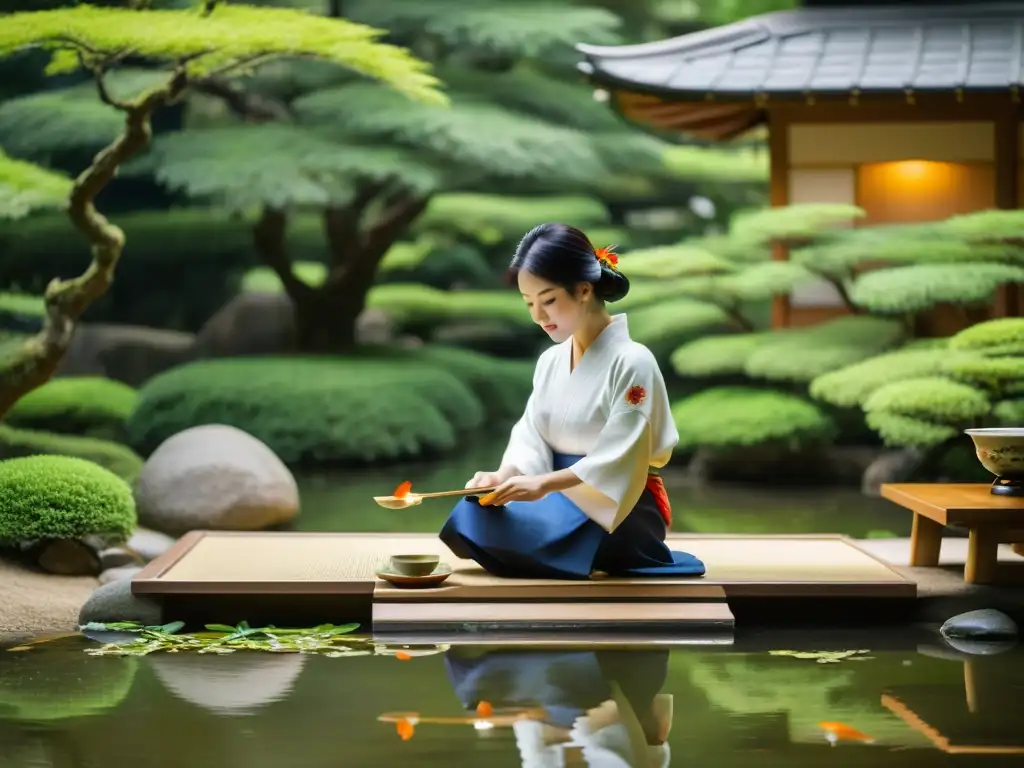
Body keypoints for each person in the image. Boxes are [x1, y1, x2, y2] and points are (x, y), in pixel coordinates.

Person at [438, 222, 706, 580]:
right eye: (529, 303)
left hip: (612, 503)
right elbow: (531, 431)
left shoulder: (633, 360)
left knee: (515, 536)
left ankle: (577, 548)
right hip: (556, 494)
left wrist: (545, 484)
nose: (538, 315)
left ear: (583, 290)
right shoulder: (551, 360)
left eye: (548, 300)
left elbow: (622, 453)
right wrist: (504, 476)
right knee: (472, 514)